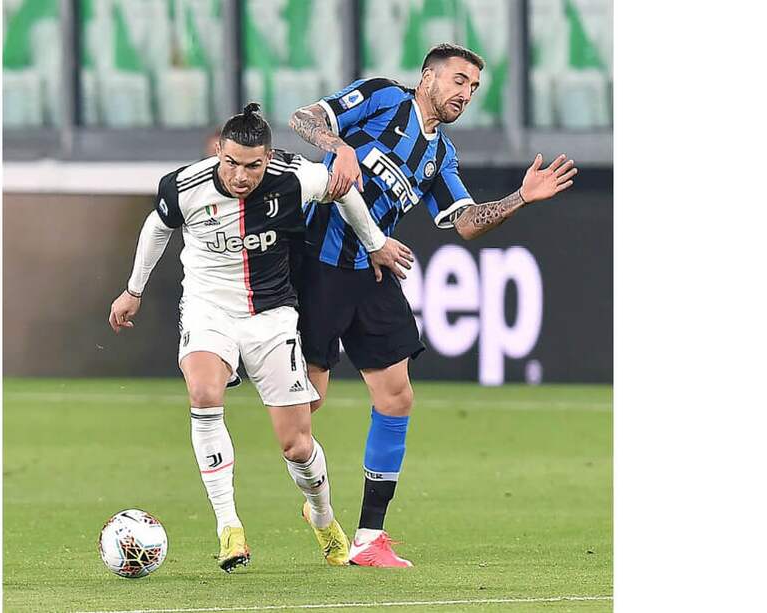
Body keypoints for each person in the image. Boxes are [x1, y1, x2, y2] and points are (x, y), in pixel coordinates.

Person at [289, 43, 578, 567]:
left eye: (473, 87)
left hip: (374, 271)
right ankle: (317, 502)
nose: (465, 93)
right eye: (458, 80)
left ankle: (370, 538)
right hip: (320, 264)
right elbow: (303, 118)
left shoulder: (441, 155)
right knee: (305, 408)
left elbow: (465, 221)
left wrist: (521, 197)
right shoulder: (380, 98)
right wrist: (339, 145)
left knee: (397, 396)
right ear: (427, 77)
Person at [108, 103, 412, 572]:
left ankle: (323, 517)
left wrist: (374, 242)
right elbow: (157, 228)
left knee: (297, 444)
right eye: (231, 163)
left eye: (252, 166)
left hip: (272, 319)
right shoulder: (185, 185)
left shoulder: (294, 177)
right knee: (203, 391)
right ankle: (228, 526)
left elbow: (345, 190)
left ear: (268, 159)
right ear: (219, 154)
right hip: (210, 310)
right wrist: (133, 290)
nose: (241, 176)